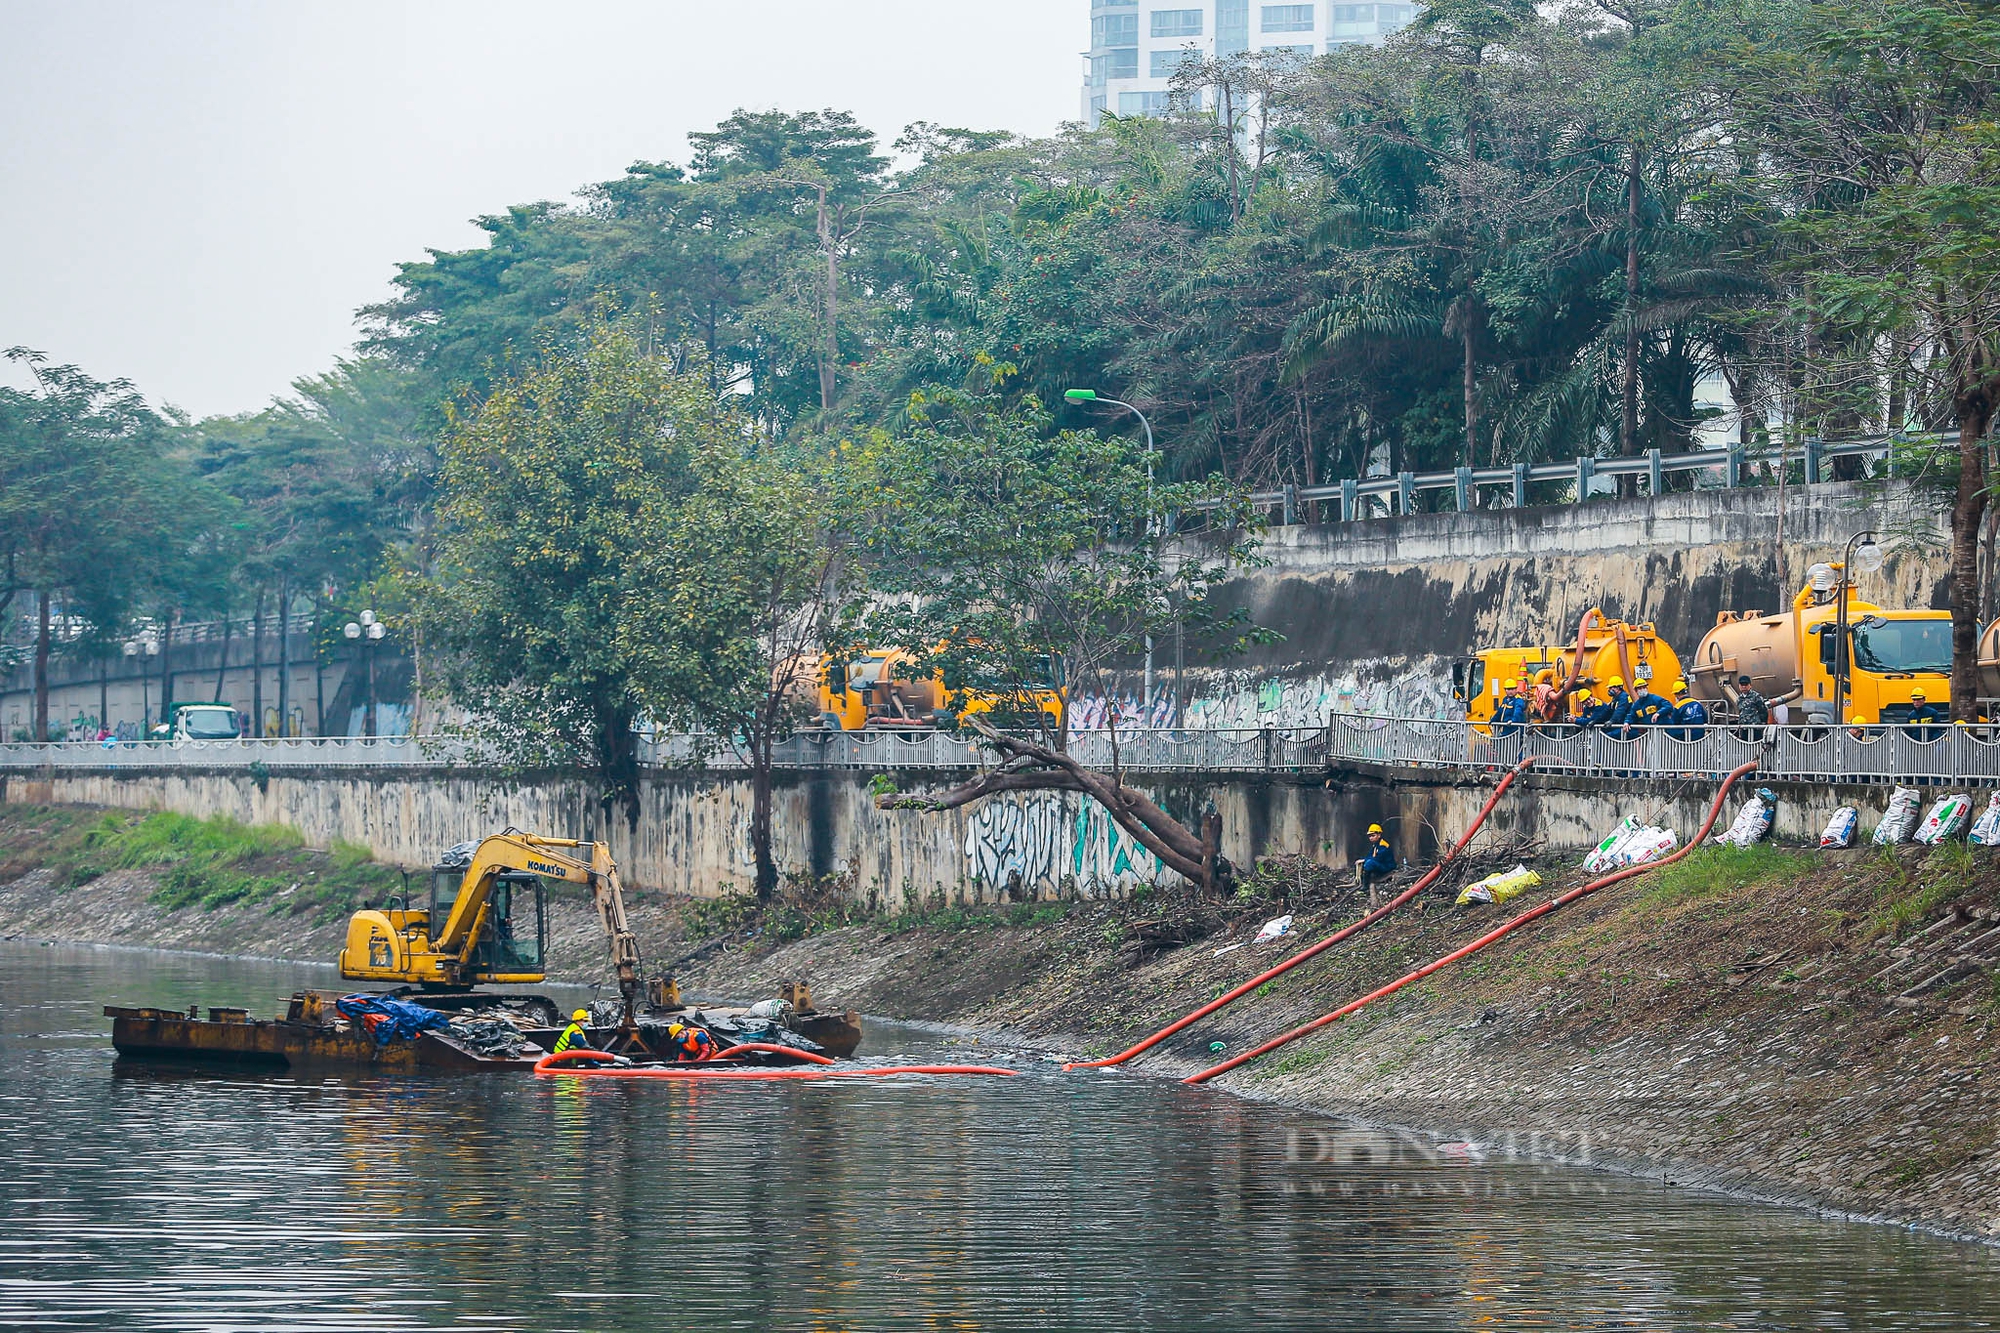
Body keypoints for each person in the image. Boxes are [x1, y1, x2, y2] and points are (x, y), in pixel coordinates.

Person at [1356, 822, 1397, 907]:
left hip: (1387, 867)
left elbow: (1378, 858)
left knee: (1369, 863)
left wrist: (1365, 860)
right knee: (1366, 862)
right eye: (1370, 836)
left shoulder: (1383, 846)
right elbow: (1370, 855)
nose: (1371, 838)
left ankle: (1365, 885)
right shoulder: (1375, 845)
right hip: (1380, 865)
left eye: (1373, 835)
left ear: (1379, 835)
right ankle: (1362, 880)